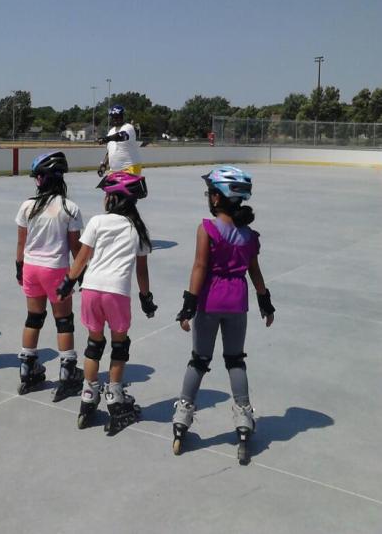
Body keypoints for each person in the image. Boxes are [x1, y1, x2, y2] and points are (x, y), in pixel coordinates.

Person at [172, 165, 275, 463]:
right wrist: (264, 300)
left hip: (209, 301)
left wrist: (189, 304)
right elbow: (254, 271)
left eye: (210, 193)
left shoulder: (207, 228)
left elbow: (200, 267)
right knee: (235, 360)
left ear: (217, 199)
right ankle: (243, 420)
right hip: (237, 303)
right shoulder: (249, 235)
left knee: (199, 360)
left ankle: (182, 416)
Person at [57, 171, 157, 434]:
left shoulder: (97, 222)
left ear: (115, 198)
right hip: (117, 293)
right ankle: (114, 397)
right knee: (119, 346)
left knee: (94, 344)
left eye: (106, 195)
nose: (104, 200)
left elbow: (81, 258)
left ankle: (88, 396)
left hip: (90, 289)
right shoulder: (139, 229)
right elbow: (141, 271)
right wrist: (146, 298)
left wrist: (68, 282)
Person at [15, 151, 84, 401]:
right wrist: (81, 274)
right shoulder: (70, 208)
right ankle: (67, 371)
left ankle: (27, 368)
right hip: (56, 269)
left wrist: (19, 268)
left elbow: (21, 244)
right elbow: (76, 247)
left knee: (34, 318)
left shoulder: (27, 206)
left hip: (31, 267)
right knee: (63, 320)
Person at [97, 105, 142, 176]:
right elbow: (110, 151)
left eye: (117, 117)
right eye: (113, 117)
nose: (115, 119)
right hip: (114, 172)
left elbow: (121, 136)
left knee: (119, 187)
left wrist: (106, 139)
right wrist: (104, 165)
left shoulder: (128, 127)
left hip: (130, 169)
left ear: (122, 117)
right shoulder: (111, 131)